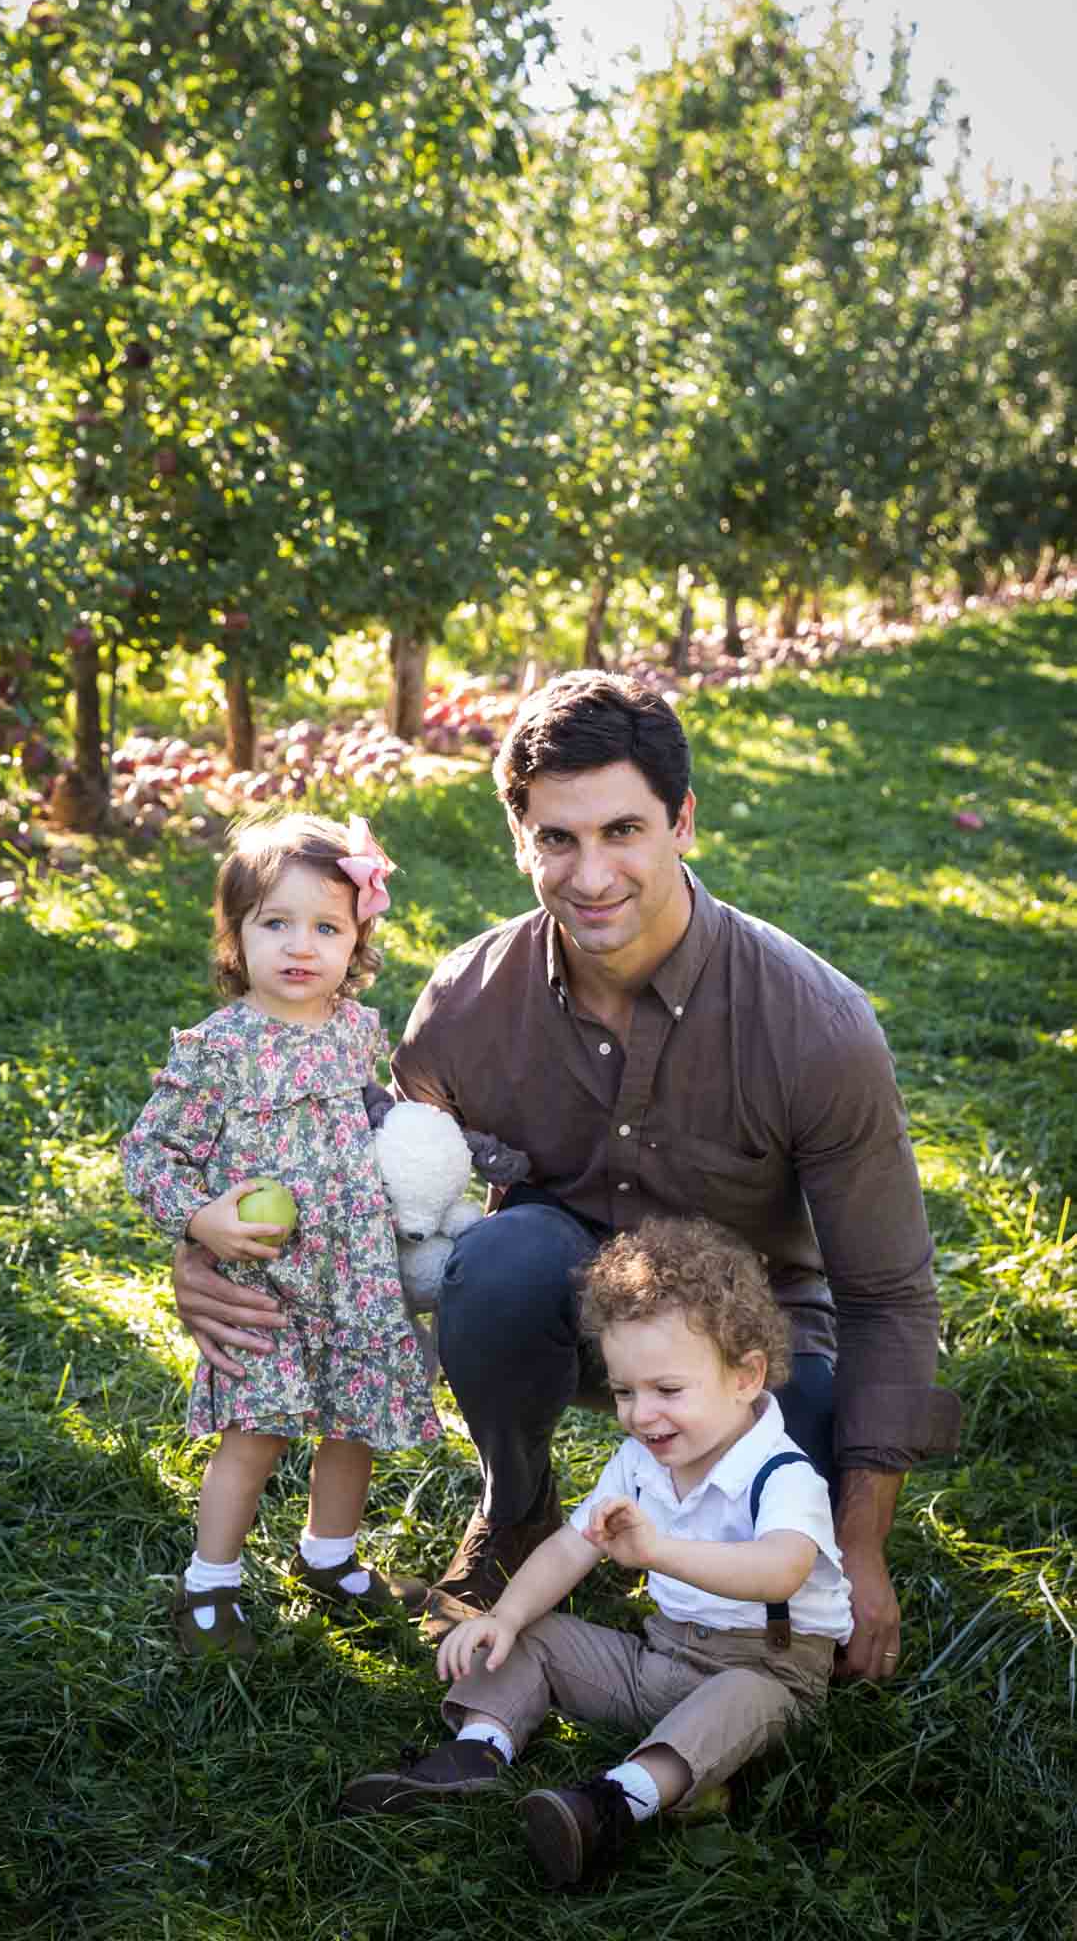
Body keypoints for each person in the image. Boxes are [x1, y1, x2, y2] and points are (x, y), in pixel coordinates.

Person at [168, 672, 960, 1680]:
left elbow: (888, 1291)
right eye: (556, 839)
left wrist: (857, 1546)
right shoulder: (464, 1003)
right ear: (519, 840)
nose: (590, 875)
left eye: (622, 830)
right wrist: (207, 1253)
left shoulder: (814, 1023)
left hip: (754, 1335)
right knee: (492, 1260)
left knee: (774, 1522)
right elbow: (359, 1191)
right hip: (558, 1300)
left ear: (682, 820)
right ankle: (516, 1503)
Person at [340, 1216, 854, 1890]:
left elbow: (778, 1570)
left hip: (769, 1668)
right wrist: (506, 1616)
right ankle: (475, 1752)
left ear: (744, 1377)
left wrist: (659, 1553)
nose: (642, 1415)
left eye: (667, 1390)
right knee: (535, 1632)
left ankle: (613, 1802)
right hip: (659, 1658)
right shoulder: (640, 1459)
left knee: (739, 1700)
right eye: (623, 1392)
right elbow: (569, 1545)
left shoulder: (779, 1474)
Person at [121, 811, 439, 1660]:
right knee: (254, 1435)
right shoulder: (217, 1048)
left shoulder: (353, 1029)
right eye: (275, 923)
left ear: (357, 937)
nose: (301, 946)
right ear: (236, 935)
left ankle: (328, 1558)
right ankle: (208, 1587)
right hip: (264, 1284)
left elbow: (366, 1118)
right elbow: (149, 1152)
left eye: (327, 926)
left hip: (354, 1275)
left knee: (352, 1423)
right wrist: (197, 1219)